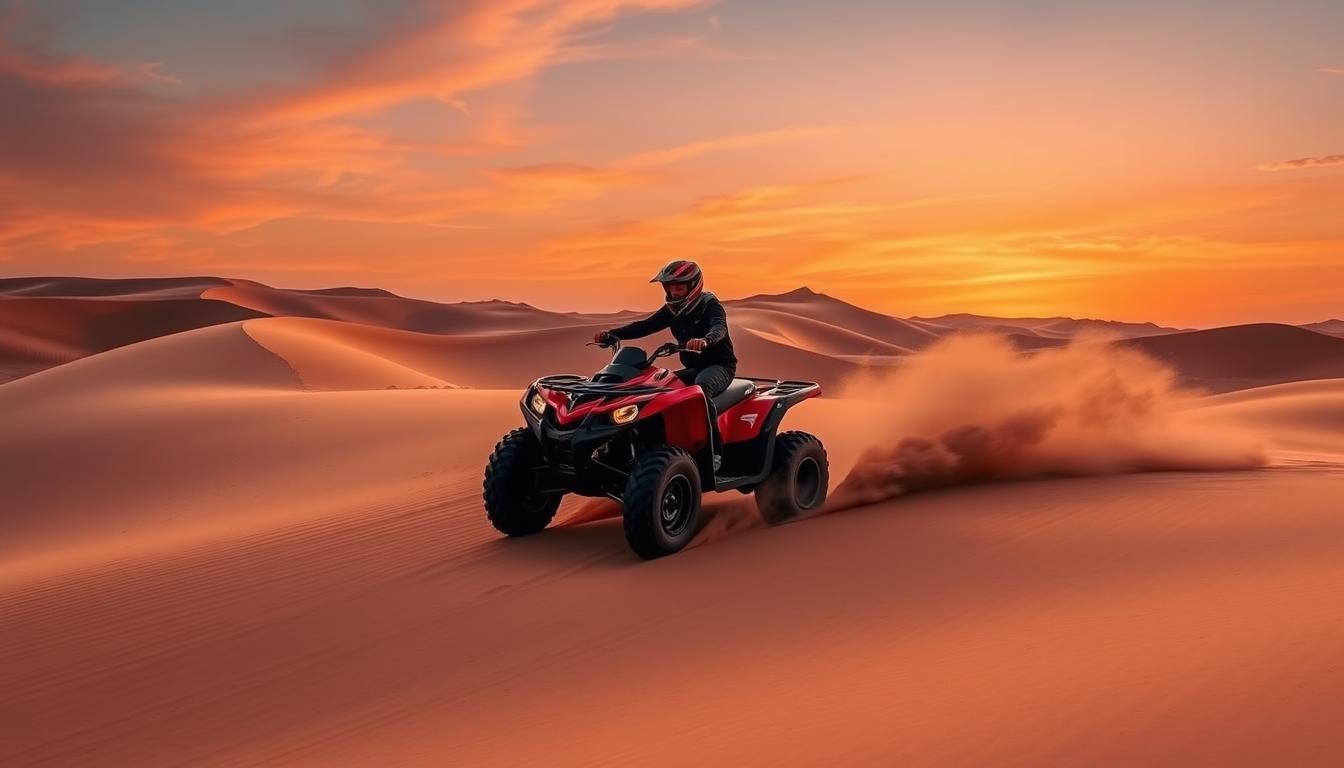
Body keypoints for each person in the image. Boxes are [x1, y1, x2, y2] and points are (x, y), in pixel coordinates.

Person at [593, 260, 738, 466]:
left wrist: (706, 340)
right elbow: (644, 326)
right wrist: (612, 334)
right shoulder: (673, 310)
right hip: (693, 368)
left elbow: (719, 328)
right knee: (658, 387)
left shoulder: (709, 305)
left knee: (701, 389)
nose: (674, 292)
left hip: (720, 366)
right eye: (670, 287)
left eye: (679, 287)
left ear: (693, 286)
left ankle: (714, 453)